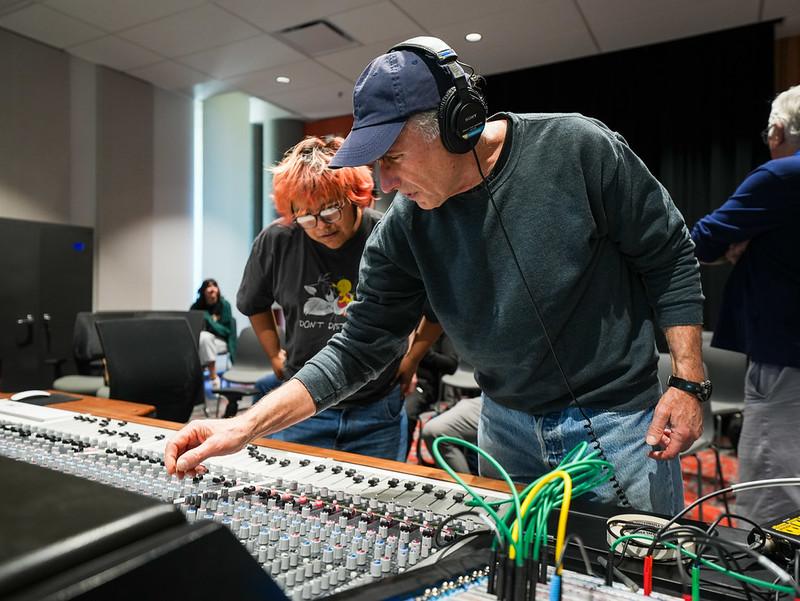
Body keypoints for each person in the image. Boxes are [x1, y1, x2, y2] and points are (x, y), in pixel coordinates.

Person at [167, 37, 706, 515]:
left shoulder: (578, 148)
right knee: (518, 576)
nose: (384, 183)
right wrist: (245, 427)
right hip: (505, 425)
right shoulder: (404, 230)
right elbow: (357, 348)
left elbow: (670, 253)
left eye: (394, 158)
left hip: (620, 423)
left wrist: (686, 380)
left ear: (457, 125)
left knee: (637, 577)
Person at [233, 135, 431, 462]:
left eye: (329, 211)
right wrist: (275, 356)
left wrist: (411, 359)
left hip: (376, 409)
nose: (320, 226)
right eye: (306, 217)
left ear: (354, 196)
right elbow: (254, 303)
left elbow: (434, 308)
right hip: (302, 409)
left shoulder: (389, 235)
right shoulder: (278, 240)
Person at [691, 85, 800, 524]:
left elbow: (700, 240)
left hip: (785, 356)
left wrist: (740, 242)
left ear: (777, 131)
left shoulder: (780, 178)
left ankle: (773, 583)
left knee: (771, 490)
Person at [190, 278, 237, 387]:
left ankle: (212, 377)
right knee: (202, 341)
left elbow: (226, 331)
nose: (213, 291)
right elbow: (191, 328)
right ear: (203, 292)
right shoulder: (196, 307)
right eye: (209, 288)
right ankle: (203, 382)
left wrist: (209, 321)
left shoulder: (224, 305)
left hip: (221, 341)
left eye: (215, 287)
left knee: (205, 337)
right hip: (200, 343)